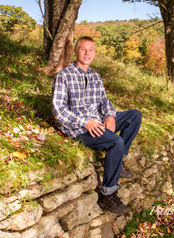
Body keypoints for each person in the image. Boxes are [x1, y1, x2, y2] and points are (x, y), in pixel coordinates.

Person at [51, 36, 142, 215]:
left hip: (98, 122)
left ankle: (118, 160)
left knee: (134, 116)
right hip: (79, 128)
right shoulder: (64, 76)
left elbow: (104, 101)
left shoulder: (95, 76)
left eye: (91, 49)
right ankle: (108, 194)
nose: (87, 53)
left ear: (95, 53)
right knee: (116, 141)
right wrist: (85, 122)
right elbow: (58, 109)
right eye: (83, 49)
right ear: (76, 51)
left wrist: (109, 116)